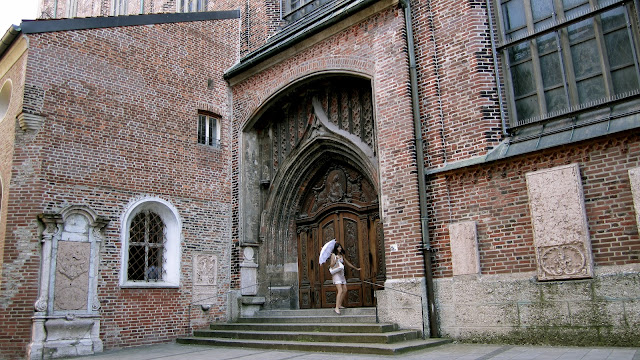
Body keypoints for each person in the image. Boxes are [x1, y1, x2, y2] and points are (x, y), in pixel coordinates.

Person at [329, 242, 360, 314]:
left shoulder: (341, 255)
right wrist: (336, 260)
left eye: (340, 247)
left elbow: (347, 263)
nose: (340, 248)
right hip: (336, 274)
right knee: (340, 290)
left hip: (341, 274)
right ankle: (336, 308)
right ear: (336, 248)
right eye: (338, 247)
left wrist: (356, 268)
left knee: (345, 289)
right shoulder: (333, 255)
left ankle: (339, 304)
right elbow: (331, 265)